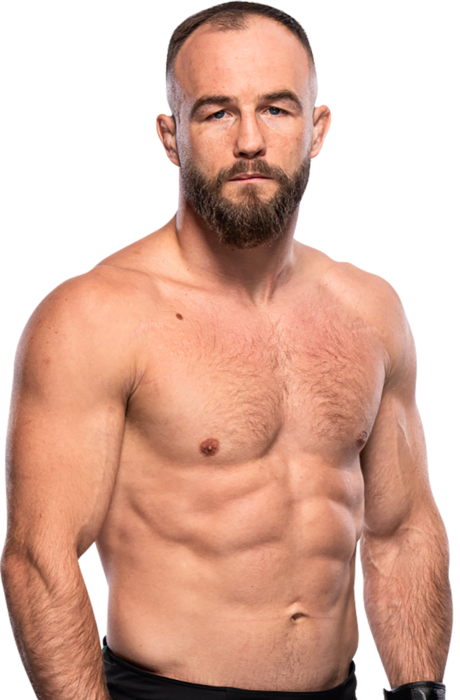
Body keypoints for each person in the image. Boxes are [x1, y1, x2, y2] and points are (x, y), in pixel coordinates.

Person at [1, 2, 452, 699]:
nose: (249, 140)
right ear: (170, 137)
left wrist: (422, 691)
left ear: (316, 129)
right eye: (216, 113)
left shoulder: (369, 308)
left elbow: (401, 527)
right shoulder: (95, 315)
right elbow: (40, 558)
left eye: (276, 109)